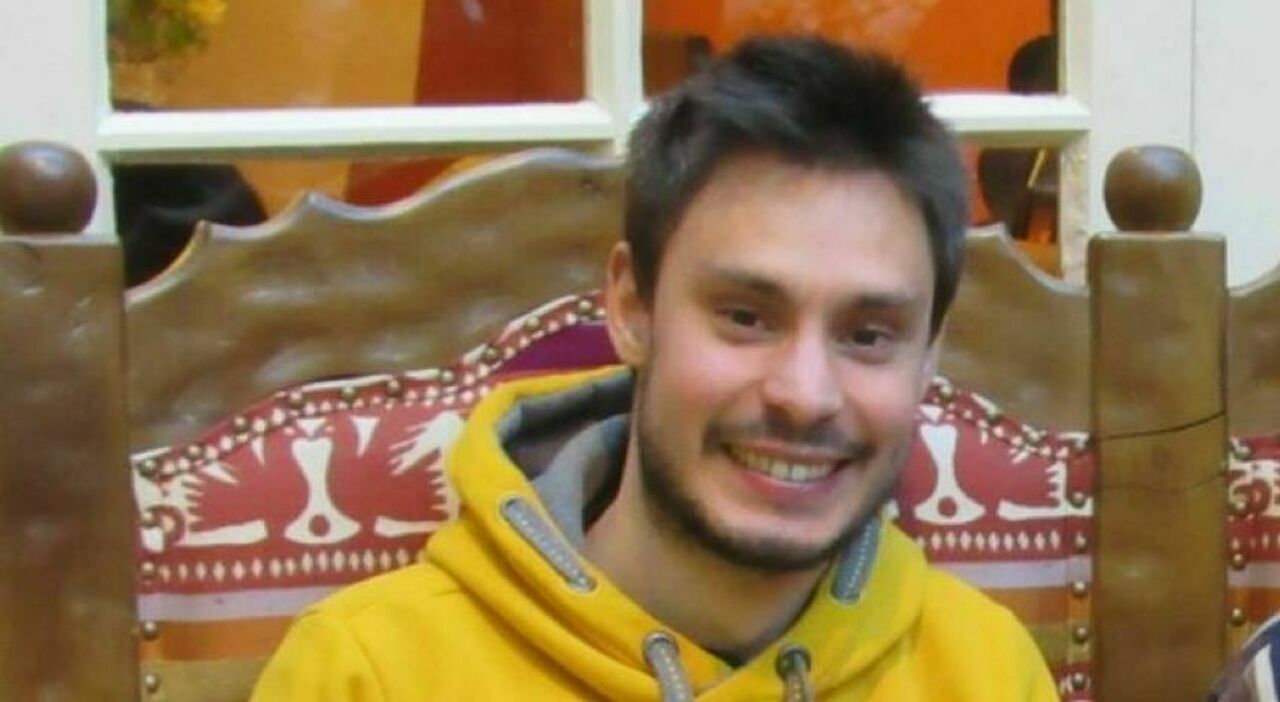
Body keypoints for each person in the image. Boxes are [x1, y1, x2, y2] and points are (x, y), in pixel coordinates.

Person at [251, 35, 1057, 701]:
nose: (805, 394)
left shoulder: (985, 670)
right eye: (746, 317)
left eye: (869, 335)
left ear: (930, 355)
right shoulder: (368, 673)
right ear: (633, 309)